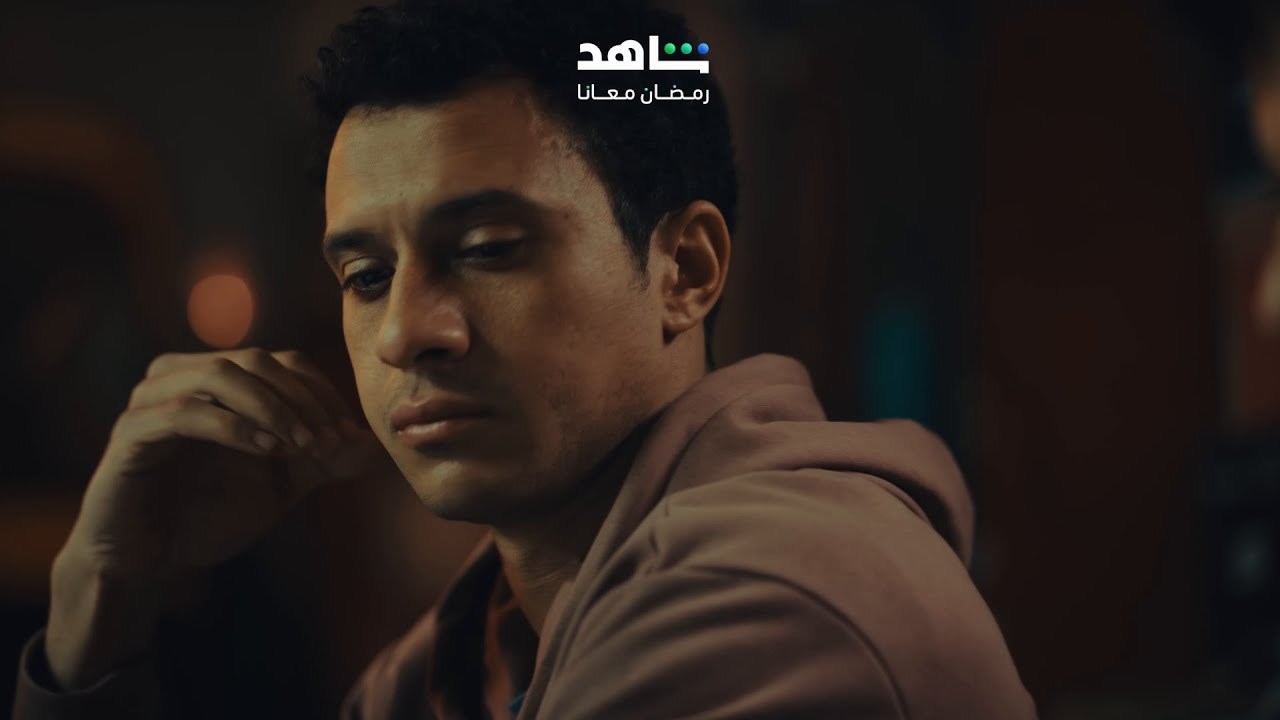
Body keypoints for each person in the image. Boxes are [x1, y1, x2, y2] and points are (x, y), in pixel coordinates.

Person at [13, 0, 1036, 717]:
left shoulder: (766, 604)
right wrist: (100, 610)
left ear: (684, 269)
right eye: (366, 274)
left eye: (489, 249)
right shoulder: (464, 651)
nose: (404, 333)